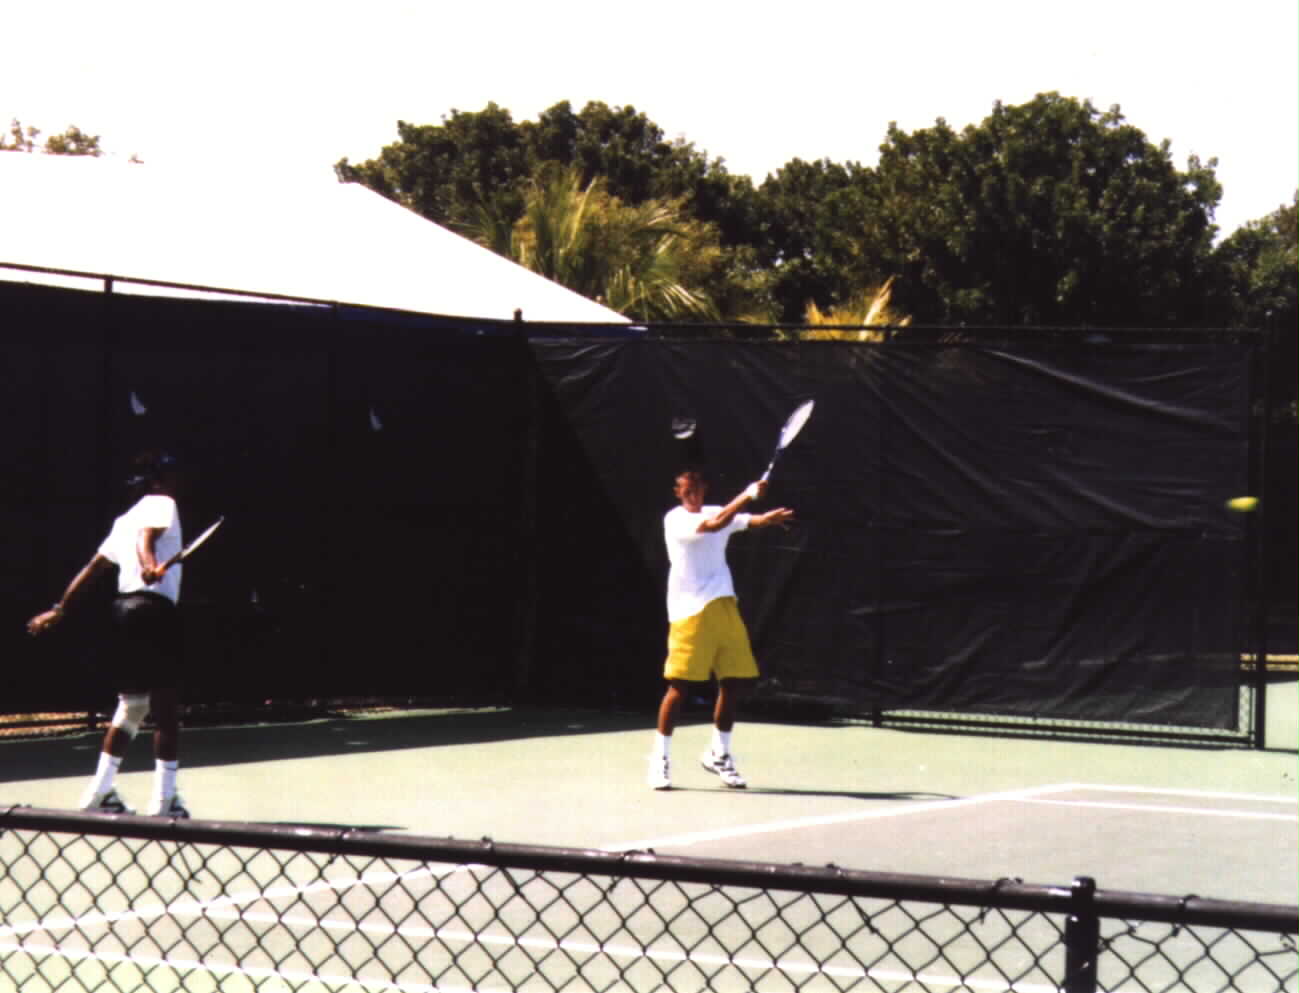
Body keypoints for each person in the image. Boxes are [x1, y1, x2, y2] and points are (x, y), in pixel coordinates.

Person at [27, 451, 190, 818]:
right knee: (165, 711)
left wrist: (60, 608)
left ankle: (99, 792)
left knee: (133, 706)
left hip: (124, 612)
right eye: (174, 473)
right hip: (154, 611)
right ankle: (165, 802)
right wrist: (149, 566)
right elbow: (147, 540)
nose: (180, 480)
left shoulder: (122, 520)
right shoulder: (162, 502)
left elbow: (92, 568)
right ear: (157, 481)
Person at [649, 468, 794, 790]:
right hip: (690, 613)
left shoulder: (717, 510)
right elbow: (715, 525)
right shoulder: (676, 520)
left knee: (734, 682)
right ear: (678, 492)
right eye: (687, 490)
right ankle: (659, 759)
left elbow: (742, 522)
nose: (693, 494)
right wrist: (746, 495)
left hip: (725, 605)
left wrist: (765, 518)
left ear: (704, 489)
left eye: (698, 488)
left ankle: (719, 753)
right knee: (679, 687)